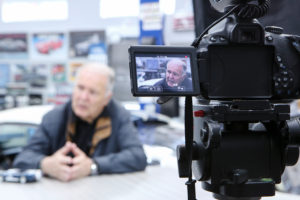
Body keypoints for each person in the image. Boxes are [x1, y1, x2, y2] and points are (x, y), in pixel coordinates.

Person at [13, 63, 147, 182]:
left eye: (92, 92)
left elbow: (137, 157)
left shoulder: (119, 116)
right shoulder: (54, 118)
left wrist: (93, 166)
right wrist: (45, 164)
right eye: (80, 88)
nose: (83, 97)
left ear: (107, 98)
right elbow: (23, 158)